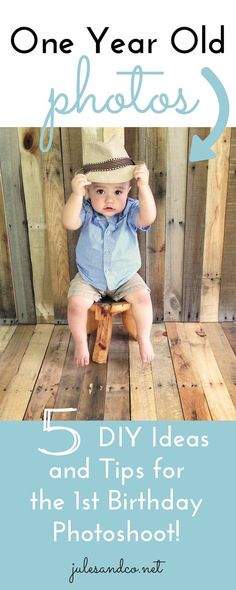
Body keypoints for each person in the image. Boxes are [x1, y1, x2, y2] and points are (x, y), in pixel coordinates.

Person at [62, 135, 156, 367]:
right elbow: (69, 222)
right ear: (89, 191)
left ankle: (144, 338)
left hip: (125, 277)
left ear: (128, 190)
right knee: (75, 303)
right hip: (90, 278)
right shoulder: (85, 210)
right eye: (100, 191)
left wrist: (144, 188)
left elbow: (149, 217)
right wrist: (75, 194)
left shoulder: (131, 211)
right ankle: (81, 342)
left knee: (143, 299)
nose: (109, 200)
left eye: (118, 192)